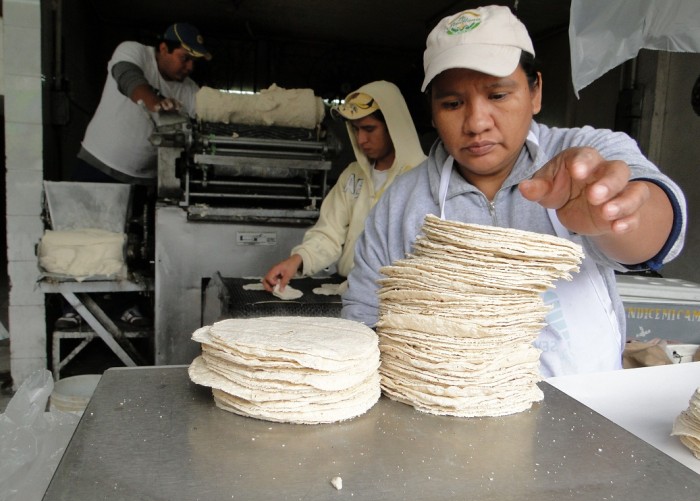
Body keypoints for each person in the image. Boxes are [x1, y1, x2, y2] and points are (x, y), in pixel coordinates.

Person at [342, 5, 687, 377]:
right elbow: (364, 317)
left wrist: (614, 214)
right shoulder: (402, 202)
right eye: (452, 103)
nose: (476, 123)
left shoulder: (586, 154)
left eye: (498, 95)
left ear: (535, 92)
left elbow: (659, 229)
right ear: (432, 112)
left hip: (587, 410)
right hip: (449, 412)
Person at [57, 23, 212, 329]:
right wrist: (156, 104)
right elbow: (128, 79)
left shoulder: (189, 90)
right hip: (98, 164)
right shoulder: (134, 52)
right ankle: (72, 307)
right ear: (164, 48)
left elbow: (205, 117)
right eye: (185, 58)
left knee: (136, 246)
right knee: (82, 239)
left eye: (194, 61)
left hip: (143, 178)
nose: (189, 66)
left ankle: (128, 306)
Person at [262, 80, 426, 294]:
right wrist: (297, 260)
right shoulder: (352, 176)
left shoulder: (423, 179)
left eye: (369, 129)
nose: (361, 139)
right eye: (356, 130)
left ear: (394, 126)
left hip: (399, 296)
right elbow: (330, 232)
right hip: (349, 291)